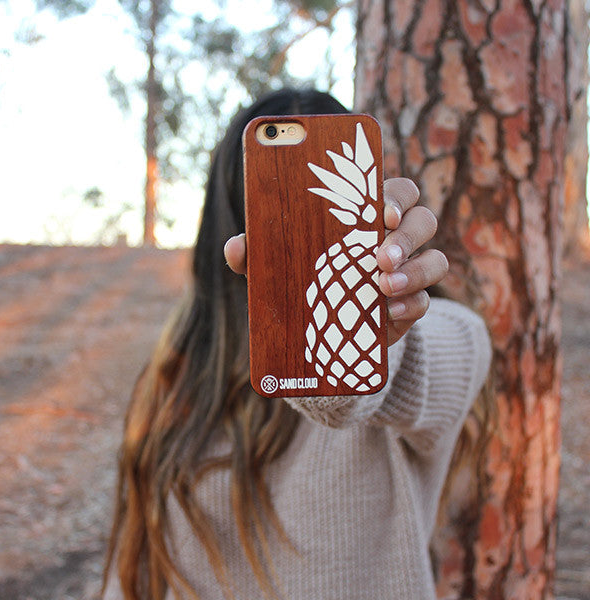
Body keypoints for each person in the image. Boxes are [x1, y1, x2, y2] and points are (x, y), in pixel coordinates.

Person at [102, 88, 492, 600]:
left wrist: (359, 342)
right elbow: (139, 570)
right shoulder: (179, 374)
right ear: (235, 216)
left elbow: (420, 363)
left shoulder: (440, 334)